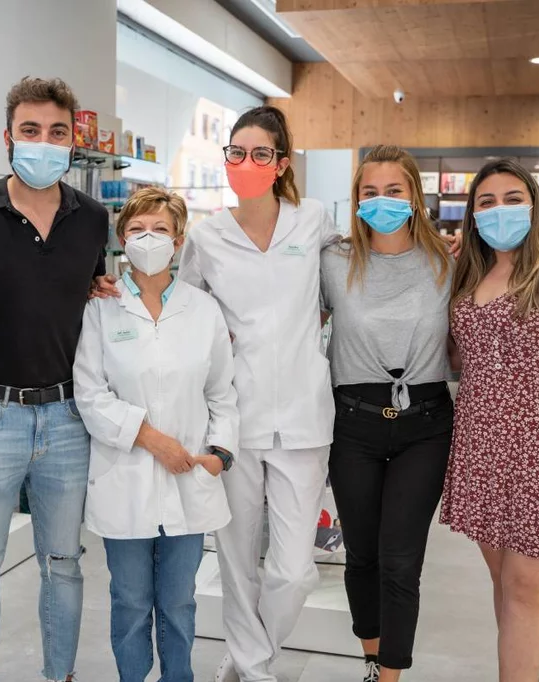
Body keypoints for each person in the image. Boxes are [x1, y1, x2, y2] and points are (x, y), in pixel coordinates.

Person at [0, 77, 118, 682]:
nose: (45, 142)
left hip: (69, 418)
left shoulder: (93, 218)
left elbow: (87, 296)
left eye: (58, 132)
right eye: (31, 130)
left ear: (74, 140)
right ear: (9, 137)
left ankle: (59, 674)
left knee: (64, 562)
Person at [178, 105, 339, 682]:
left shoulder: (313, 220)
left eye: (261, 153)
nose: (247, 163)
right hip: (233, 419)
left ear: (281, 163)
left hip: (303, 416)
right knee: (235, 557)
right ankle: (254, 669)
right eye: (237, 152)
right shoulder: (208, 235)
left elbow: (358, 272)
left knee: (293, 570)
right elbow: (179, 309)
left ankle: (252, 653)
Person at [441, 158, 539, 682]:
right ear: (471, 214)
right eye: (486, 202)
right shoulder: (470, 273)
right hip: (481, 445)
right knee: (504, 581)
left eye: (513, 198)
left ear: (535, 204)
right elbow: (459, 358)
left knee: (529, 587)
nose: (500, 210)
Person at [73, 187, 239, 682]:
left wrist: (220, 455)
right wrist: (151, 438)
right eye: (138, 229)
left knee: (179, 601)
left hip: (190, 474)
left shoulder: (203, 309)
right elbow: (90, 394)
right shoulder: (101, 307)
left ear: (180, 239)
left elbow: (222, 392)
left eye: (161, 230)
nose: (149, 238)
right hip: (125, 476)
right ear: (122, 238)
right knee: (129, 600)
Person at [320, 145, 455, 682]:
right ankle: (372, 661)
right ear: (355, 200)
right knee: (362, 556)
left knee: (401, 559)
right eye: (369, 192)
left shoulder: (447, 260)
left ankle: (391, 676)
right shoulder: (333, 260)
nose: (382, 200)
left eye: (394, 190)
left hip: (425, 424)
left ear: (416, 196)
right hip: (351, 424)